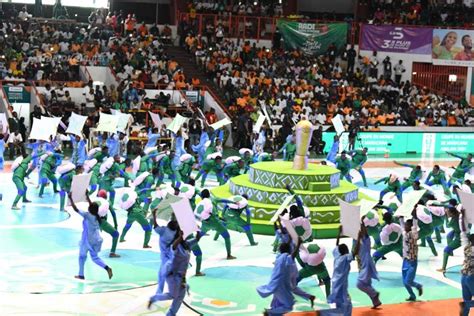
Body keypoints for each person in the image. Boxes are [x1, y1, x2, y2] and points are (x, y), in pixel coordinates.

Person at [257, 238, 314, 315]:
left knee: (278, 304)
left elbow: (286, 249)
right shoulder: (287, 258)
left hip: (274, 285)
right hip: (281, 286)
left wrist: (290, 239)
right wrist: (298, 244)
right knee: (289, 306)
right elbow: (293, 255)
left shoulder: (278, 257)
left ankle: (272, 312)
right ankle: (269, 312)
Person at [148, 230, 199, 315]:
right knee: (173, 295)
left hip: (182, 276)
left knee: (180, 296)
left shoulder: (187, 244)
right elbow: (174, 247)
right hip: (172, 275)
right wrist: (180, 237)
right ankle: (154, 298)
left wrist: (198, 232)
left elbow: (197, 239)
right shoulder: (175, 246)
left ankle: (171, 314)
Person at [68, 192, 113, 280]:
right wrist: (87, 197)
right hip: (96, 239)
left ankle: (81, 275)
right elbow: (92, 206)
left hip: (87, 240)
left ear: (89, 209)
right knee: (95, 258)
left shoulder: (87, 215)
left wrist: (70, 198)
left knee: (81, 257)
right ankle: (107, 268)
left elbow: (75, 209)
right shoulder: (97, 215)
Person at [194, 189, 236, 260]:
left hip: (205, 223)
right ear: (209, 195)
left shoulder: (201, 202)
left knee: (198, 236)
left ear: (202, 197)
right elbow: (224, 200)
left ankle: (189, 248)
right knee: (226, 236)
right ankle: (229, 255)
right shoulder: (213, 199)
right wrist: (233, 202)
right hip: (215, 222)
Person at [327, 226, 356, 315]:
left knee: (338, 301)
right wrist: (357, 240)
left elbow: (337, 245)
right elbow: (355, 251)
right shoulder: (346, 257)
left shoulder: (337, 255)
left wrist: (339, 234)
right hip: (341, 283)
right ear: (346, 251)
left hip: (334, 282)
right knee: (347, 302)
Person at [356, 217, 382, 308]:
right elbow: (355, 251)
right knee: (367, 284)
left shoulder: (366, 239)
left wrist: (362, 223)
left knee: (360, 284)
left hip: (366, 263)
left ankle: (374, 293)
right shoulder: (358, 239)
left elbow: (364, 232)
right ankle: (376, 302)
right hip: (361, 263)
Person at [400, 208, 423, 301]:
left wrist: (414, 216)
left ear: (410, 226)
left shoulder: (414, 234)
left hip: (412, 261)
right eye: (405, 224)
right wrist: (401, 217)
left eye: (407, 224)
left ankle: (418, 286)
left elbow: (415, 226)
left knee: (408, 281)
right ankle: (412, 296)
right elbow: (401, 226)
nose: (405, 226)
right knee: (405, 282)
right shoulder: (404, 233)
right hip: (405, 260)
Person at [459, 208, 474, 316]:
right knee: (467, 302)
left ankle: (465, 307)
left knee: (466, 298)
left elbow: (463, 231)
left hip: (463, 275)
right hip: (472, 277)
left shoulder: (466, 245)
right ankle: (467, 305)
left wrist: (462, 217)